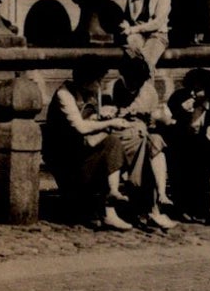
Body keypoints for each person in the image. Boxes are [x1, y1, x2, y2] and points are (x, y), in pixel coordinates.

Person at [43, 54, 142, 231]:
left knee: (119, 142)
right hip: (66, 159)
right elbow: (80, 127)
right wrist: (109, 123)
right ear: (87, 78)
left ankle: (111, 202)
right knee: (111, 143)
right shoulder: (64, 94)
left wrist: (102, 115)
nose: (100, 83)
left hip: (83, 149)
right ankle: (110, 203)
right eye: (98, 78)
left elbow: (90, 122)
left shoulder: (90, 93)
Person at [109, 29, 178, 229]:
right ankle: (154, 209)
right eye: (131, 81)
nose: (133, 87)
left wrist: (158, 117)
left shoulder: (148, 91)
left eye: (137, 83)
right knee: (151, 144)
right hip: (122, 136)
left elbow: (148, 119)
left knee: (153, 143)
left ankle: (160, 199)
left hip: (139, 136)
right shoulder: (116, 87)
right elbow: (114, 115)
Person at [164, 67, 210, 227]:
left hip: (204, 140)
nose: (192, 93)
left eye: (197, 90)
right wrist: (183, 113)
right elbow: (170, 125)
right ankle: (183, 206)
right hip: (180, 140)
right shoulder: (178, 98)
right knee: (182, 157)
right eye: (190, 88)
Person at [118, 0, 172, 68]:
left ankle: (148, 82)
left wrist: (132, 29)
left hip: (157, 35)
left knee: (147, 62)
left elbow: (157, 23)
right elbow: (127, 18)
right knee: (132, 54)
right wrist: (125, 25)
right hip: (137, 35)